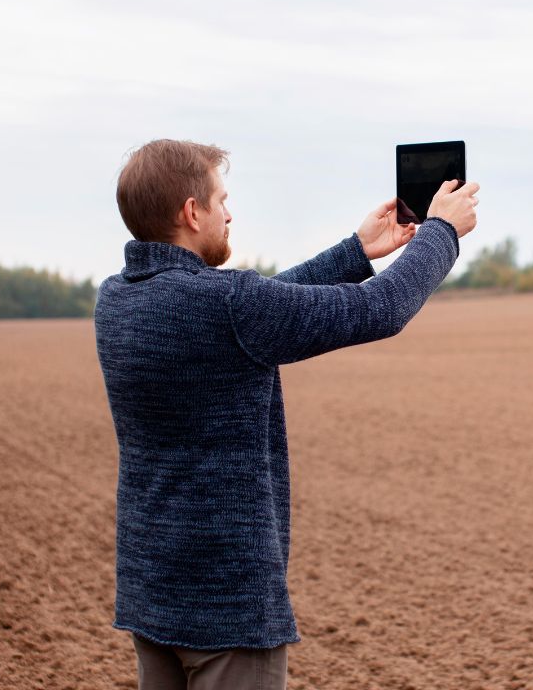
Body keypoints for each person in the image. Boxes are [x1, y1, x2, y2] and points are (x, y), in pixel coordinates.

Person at [94, 139, 480, 690]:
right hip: (228, 608)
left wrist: (355, 252)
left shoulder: (117, 299)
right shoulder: (225, 307)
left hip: (153, 593)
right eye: (222, 200)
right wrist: (442, 231)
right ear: (191, 212)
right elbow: (380, 309)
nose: (230, 212)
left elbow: (258, 310)